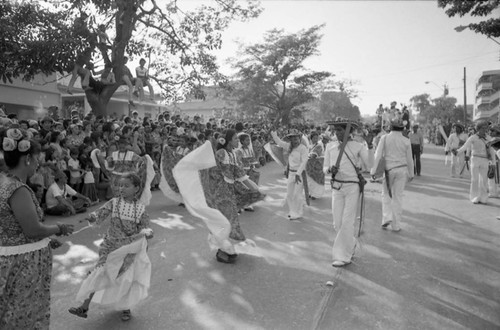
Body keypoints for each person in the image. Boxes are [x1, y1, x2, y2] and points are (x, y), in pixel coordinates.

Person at [0, 128, 74, 329]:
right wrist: (58, 228)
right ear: (27, 159)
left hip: (11, 259)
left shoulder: (3, 181)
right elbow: (32, 229)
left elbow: (13, 227)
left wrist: (46, 240)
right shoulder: (18, 189)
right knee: (23, 313)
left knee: (11, 311)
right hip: (23, 264)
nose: (39, 163)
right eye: (37, 158)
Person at [69, 174, 153, 322]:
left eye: (126, 186)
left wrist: (148, 232)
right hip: (109, 246)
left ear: (136, 189)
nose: (121, 188)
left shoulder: (140, 209)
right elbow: (100, 214)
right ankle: (84, 307)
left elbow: (145, 228)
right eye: (120, 185)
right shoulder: (113, 203)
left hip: (127, 249)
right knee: (100, 273)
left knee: (125, 279)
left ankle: (126, 308)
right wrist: (92, 217)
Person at [323, 118, 370, 267]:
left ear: (348, 131)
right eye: (335, 130)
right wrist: (330, 170)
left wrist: (369, 146)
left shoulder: (358, 146)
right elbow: (324, 168)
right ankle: (351, 244)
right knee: (337, 223)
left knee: (347, 221)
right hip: (337, 187)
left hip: (352, 187)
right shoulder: (330, 146)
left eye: (340, 130)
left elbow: (369, 165)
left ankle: (342, 256)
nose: (337, 133)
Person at [371, 117, 414, 232]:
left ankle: (386, 218)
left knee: (386, 195)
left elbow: (378, 155)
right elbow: (410, 159)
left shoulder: (384, 138)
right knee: (398, 197)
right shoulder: (406, 140)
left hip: (389, 170)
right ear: (402, 128)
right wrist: (411, 173)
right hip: (402, 170)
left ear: (390, 127)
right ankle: (396, 225)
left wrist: (373, 171)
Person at [271, 129, 308, 220]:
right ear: (290, 140)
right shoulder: (289, 146)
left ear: (299, 138)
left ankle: (298, 212)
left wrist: (298, 173)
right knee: (289, 194)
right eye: (293, 139)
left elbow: (304, 162)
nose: (295, 141)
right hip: (291, 173)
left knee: (297, 194)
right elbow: (279, 143)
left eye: (296, 139)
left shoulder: (303, 148)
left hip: (299, 174)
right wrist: (274, 135)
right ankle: (292, 211)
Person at [457, 120, 495, 204]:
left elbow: (492, 151)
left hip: (485, 160)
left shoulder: (489, 138)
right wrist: (457, 151)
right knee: (475, 179)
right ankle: (474, 197)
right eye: (483, 128)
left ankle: (483, 197)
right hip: (475, 159)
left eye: (486, 128)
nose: (485, 129)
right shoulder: (473, 137)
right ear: (478, 128)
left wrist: (493, 163)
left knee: (484, 179)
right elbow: (465, 146)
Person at [306, 131, 325, 200]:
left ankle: (315, 195)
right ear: (311, 139)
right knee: (310, 181)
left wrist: (307, 156)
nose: (315, 139)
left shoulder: (319, 145)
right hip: (310, 167)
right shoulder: (309, 146)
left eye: (317, 138)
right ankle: (311, 193)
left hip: (317, 167)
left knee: (317, 181)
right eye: (314, 138)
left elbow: (313, 155)